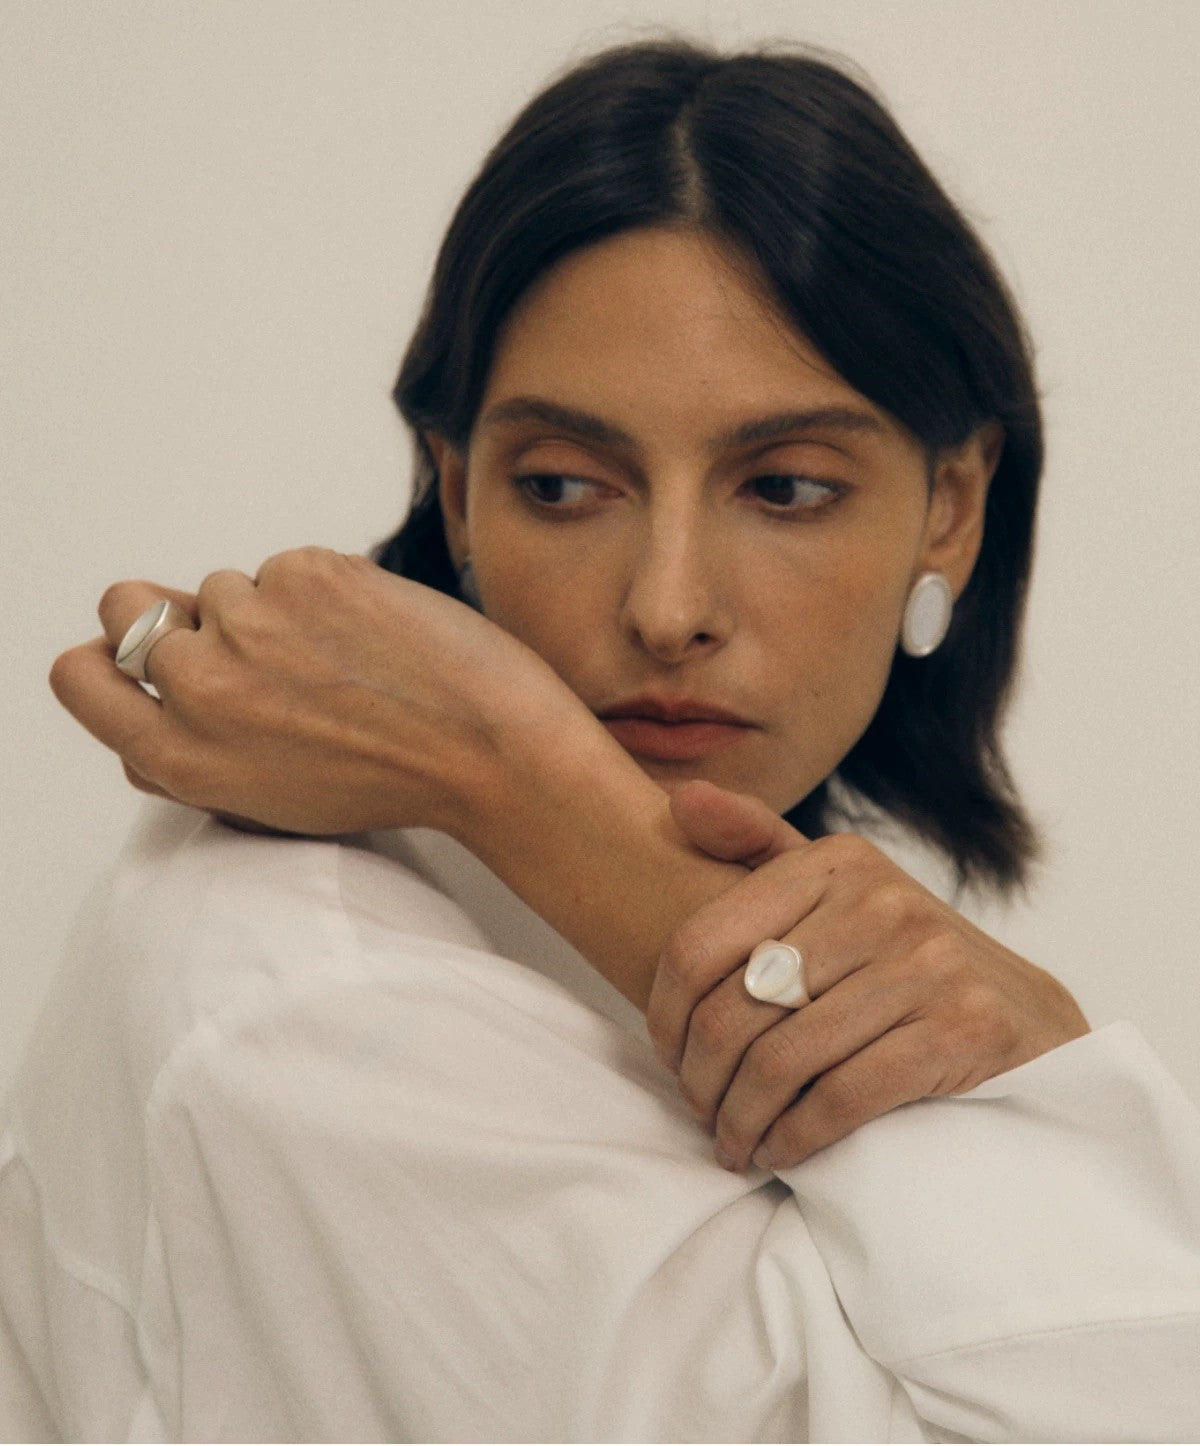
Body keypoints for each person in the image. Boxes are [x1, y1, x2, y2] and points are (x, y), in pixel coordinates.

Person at [6, 35, 1200, 1443]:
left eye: (785, 487)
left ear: (951, 509)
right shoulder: (311, 998)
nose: (669, 607)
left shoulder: (803, 909)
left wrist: (1026, 1035)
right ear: (458, 494)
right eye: (566, 485)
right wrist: (508, 767)